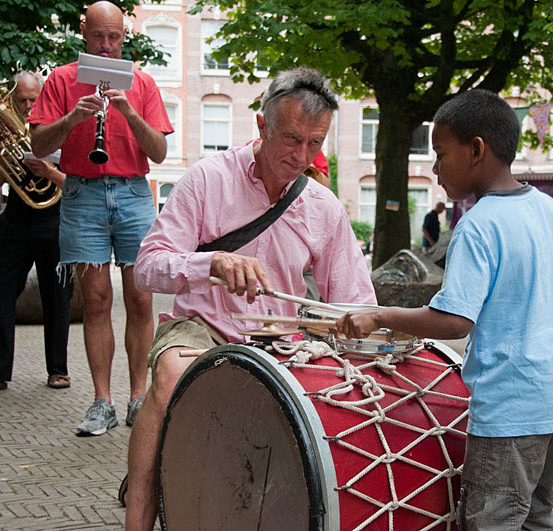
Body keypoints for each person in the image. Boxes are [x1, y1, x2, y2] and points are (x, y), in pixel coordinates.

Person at [123, 67, 376, 530]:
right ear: (262, 126)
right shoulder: (207, 179)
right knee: (173, 374)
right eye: (291, 138)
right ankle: (138, 516)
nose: (301, 155)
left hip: (280, 337)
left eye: (315, 143)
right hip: (201, 326)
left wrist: (365, 340)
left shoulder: (322, 207)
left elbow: (353, 301)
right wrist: (211, 264)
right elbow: (146, 268)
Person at [337, 89, 553, 530]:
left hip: (512, 408)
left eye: (440, 154)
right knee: (536, 516)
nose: (435, 168)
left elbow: (455, 322)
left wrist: (379, 316)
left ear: (476, 149)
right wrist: (537, 317)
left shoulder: (477, 224)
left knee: (490, 521)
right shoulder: (548, 209)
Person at [28, 1, 174, 435]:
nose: (106, 45)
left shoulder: (142, 83)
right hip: (82, 192)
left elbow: (160, 153)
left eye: (113, 37)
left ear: (123, 36)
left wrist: (127, 110)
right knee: (95, 300)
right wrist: (75, 116)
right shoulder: (62, 79)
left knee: (141, 299)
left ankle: (138, 396)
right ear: (84, 33)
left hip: (132, 194)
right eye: (98, 36)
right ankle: (102, 401)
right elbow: (38, 146)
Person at [0, 72, 73, 396]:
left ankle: (58, 369)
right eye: (21, 100)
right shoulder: (8, 131)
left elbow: (75, 185)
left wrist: (49, 171)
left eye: (32, 100)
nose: (27, 106)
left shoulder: (55, 131)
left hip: (53, 219)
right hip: (16, 220)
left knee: (57, 296)